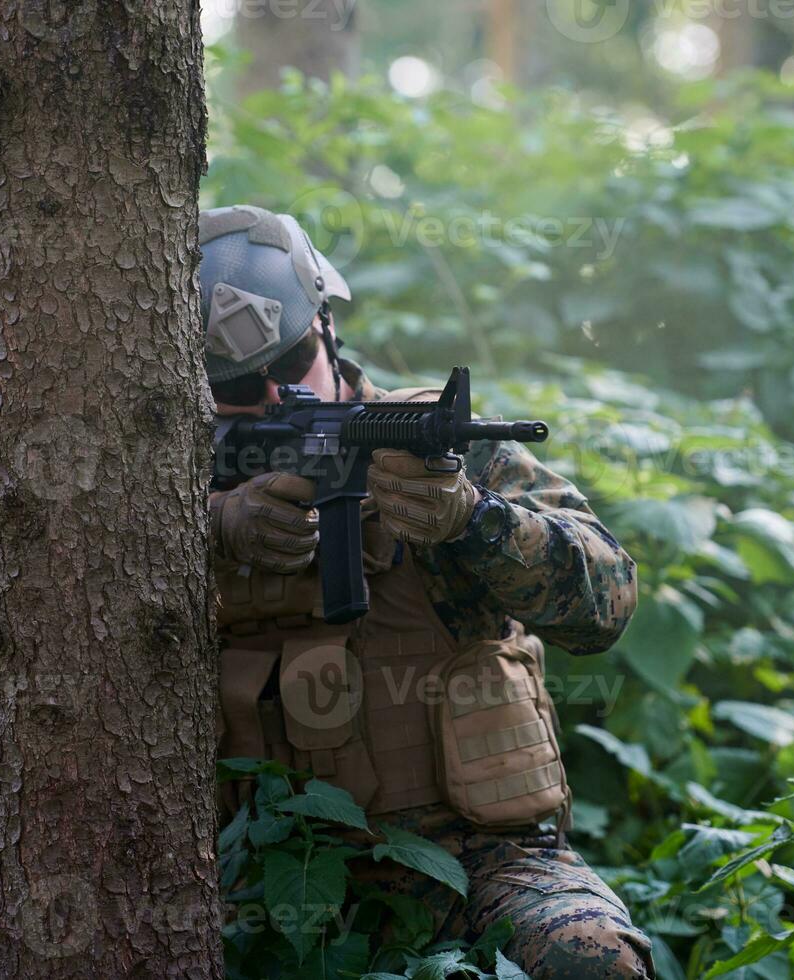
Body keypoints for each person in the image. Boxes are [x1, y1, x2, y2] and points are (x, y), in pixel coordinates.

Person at [202, 204, 651, 979]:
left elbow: (606, 603)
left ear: (329, 327)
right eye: (240, 383)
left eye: (290, 362)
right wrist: (210, 530)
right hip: (274, 869)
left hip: (486, 858)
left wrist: (475, 522)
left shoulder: (429, 444)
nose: (277, 398)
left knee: (592, 964)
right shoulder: (154, 486)